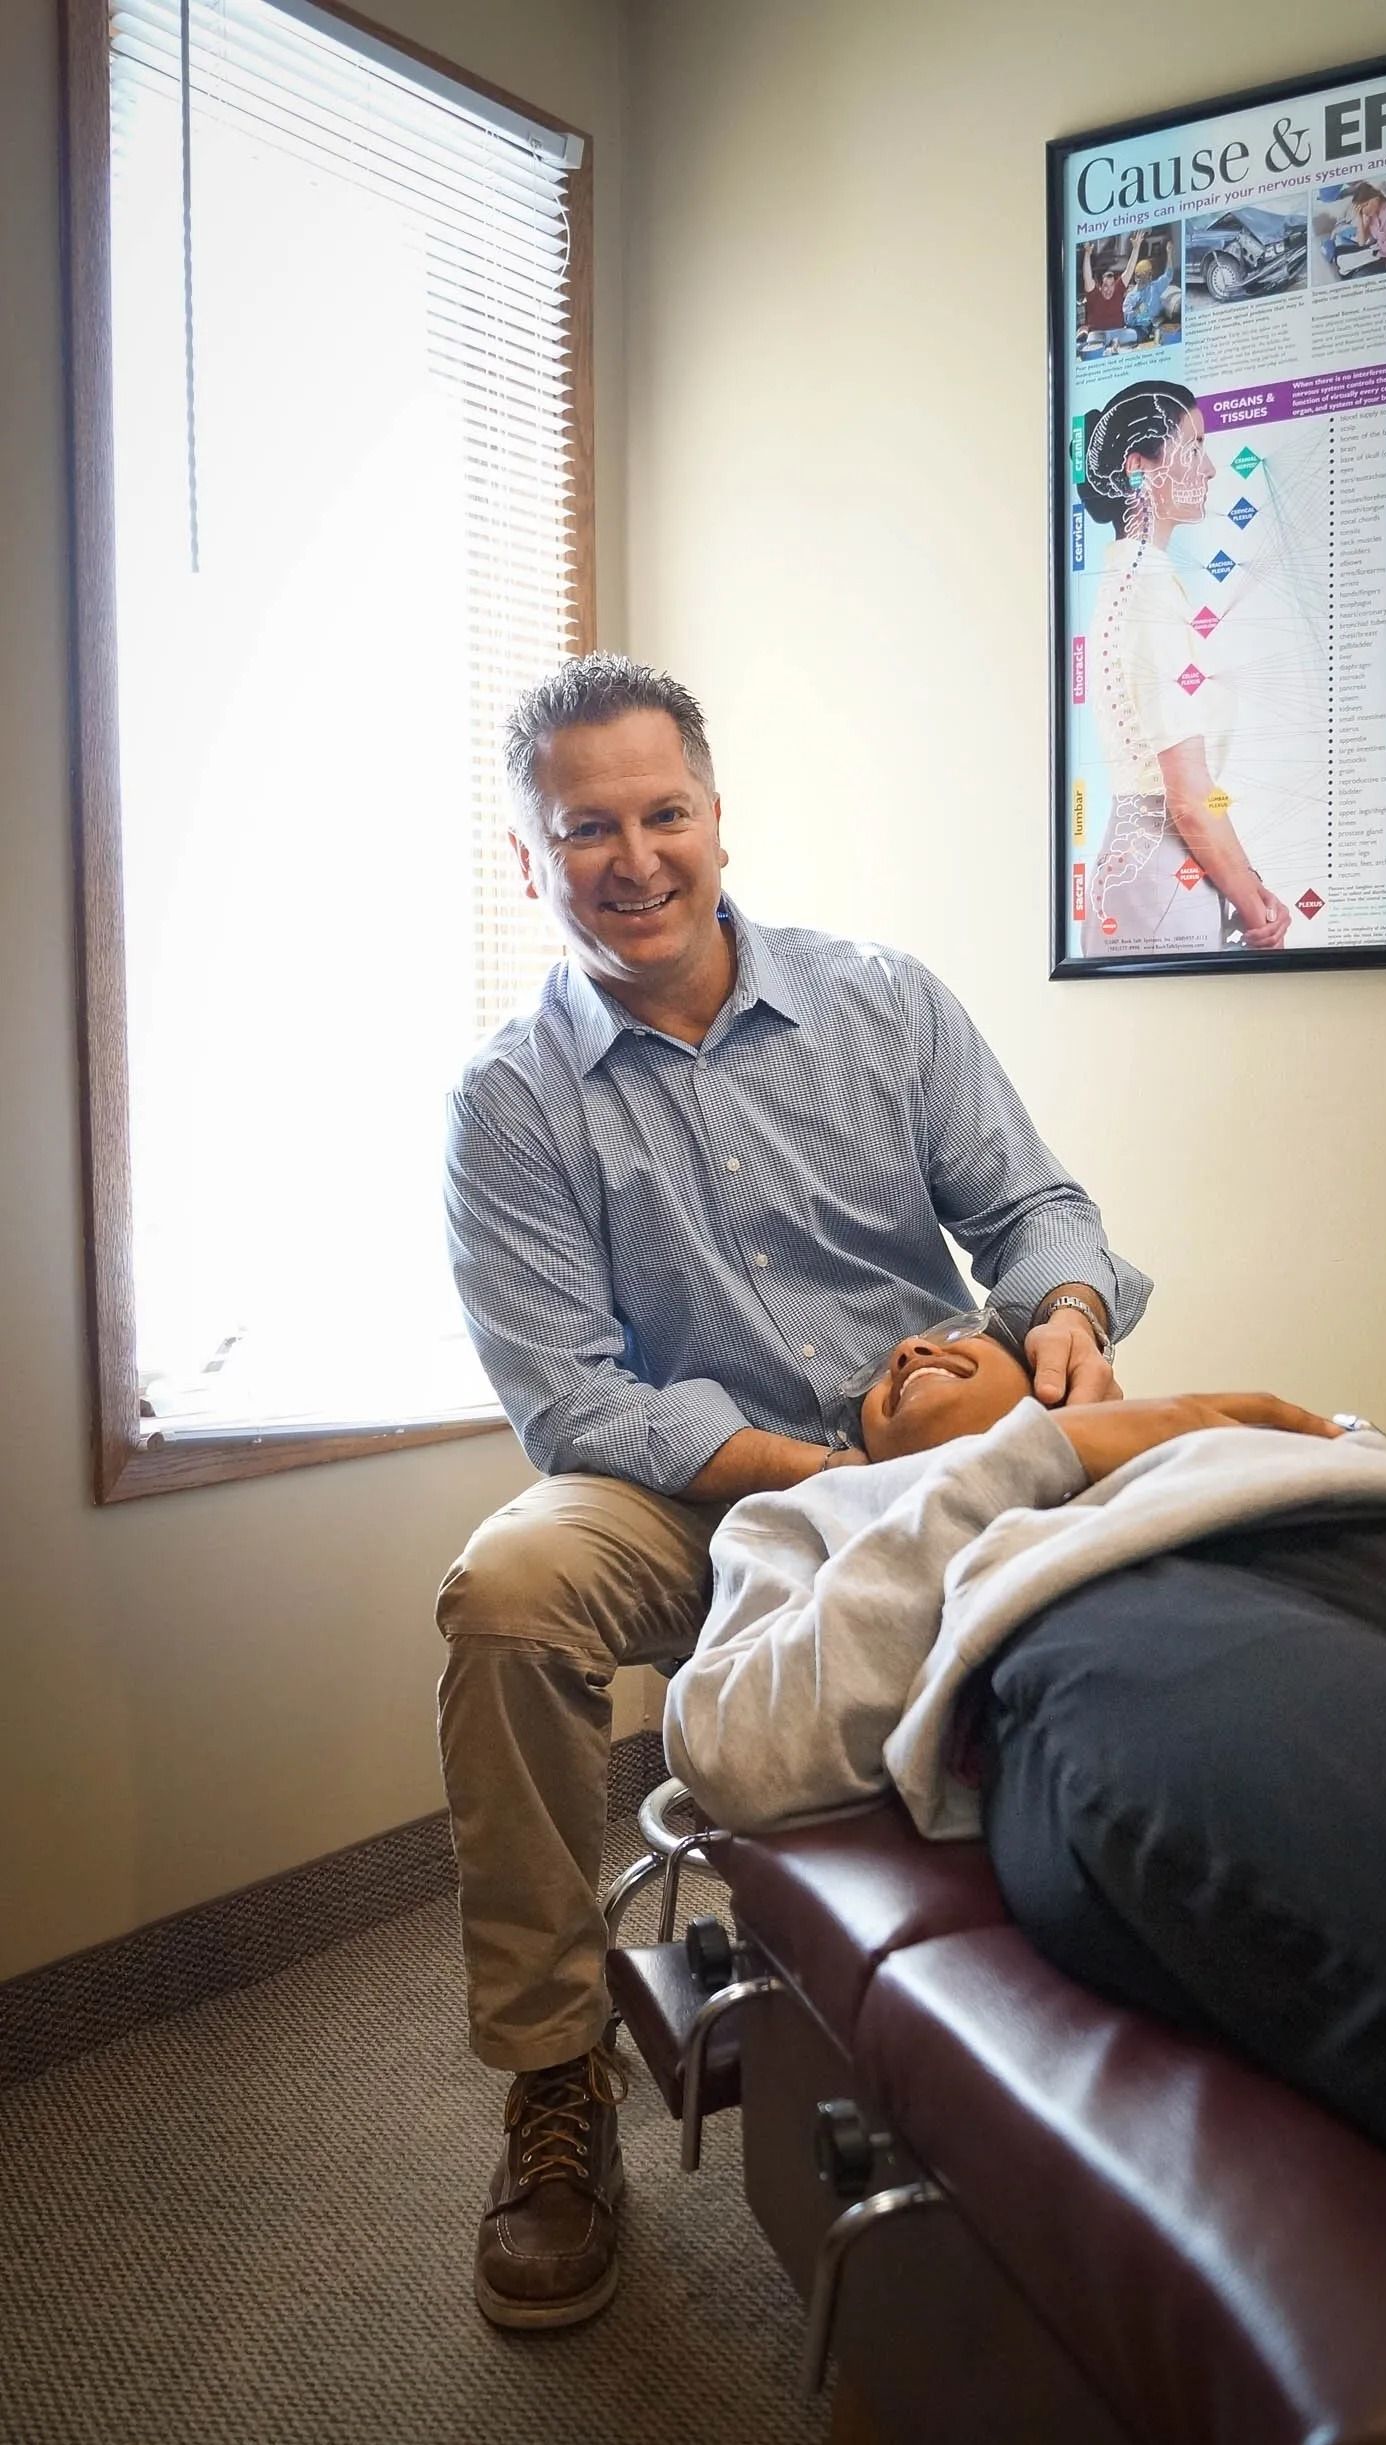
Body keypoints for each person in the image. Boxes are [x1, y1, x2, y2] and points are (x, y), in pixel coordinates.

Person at [437, 653, 1149, 2331]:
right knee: (506, 1591)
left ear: (714, 812)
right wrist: (819, 1476)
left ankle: (1108, 1963)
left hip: (927, 1439)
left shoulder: (882, 1001)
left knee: (1173, 1542)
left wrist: (1061, 1319)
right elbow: (574, 1396)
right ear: (525, 857)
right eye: (583, 827)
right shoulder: (505, 1103)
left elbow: (1033, 1204)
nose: (634, 857)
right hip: (694, 1485)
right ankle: (552, 2083)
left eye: (662, 810)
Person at [665, 1316, 1386, 2321]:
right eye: (882, 1371)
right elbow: (732, 1744)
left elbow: (1352, 1446)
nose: (908, 1352)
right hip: (1125, 1617)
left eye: (950, 1337)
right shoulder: (815, 1512)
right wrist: (1042, 1454)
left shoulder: (1191, 1417)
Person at [1077, 380, 1290, 958]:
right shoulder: (1148, 593)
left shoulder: (1140, 581)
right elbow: (1189, 796)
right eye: (1193, 447)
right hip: (1161, 887)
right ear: (1140, 467)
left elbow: (1204, 790)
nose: (1212, 467)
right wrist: (1256, 911)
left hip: (1158, 880)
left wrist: (1247, 879)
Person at [1078, 238, 1128, 339]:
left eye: (1111, 285)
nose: (1109, 290)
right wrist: (1087, 253)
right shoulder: (1094, 294)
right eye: (1105, 286)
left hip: (1119, 335)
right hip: (1098, 336)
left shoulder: (1118, 289)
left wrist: (1136, 247)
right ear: (1100, 286)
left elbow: (1130, 268)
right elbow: (1087, 276)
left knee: (1132, 334)